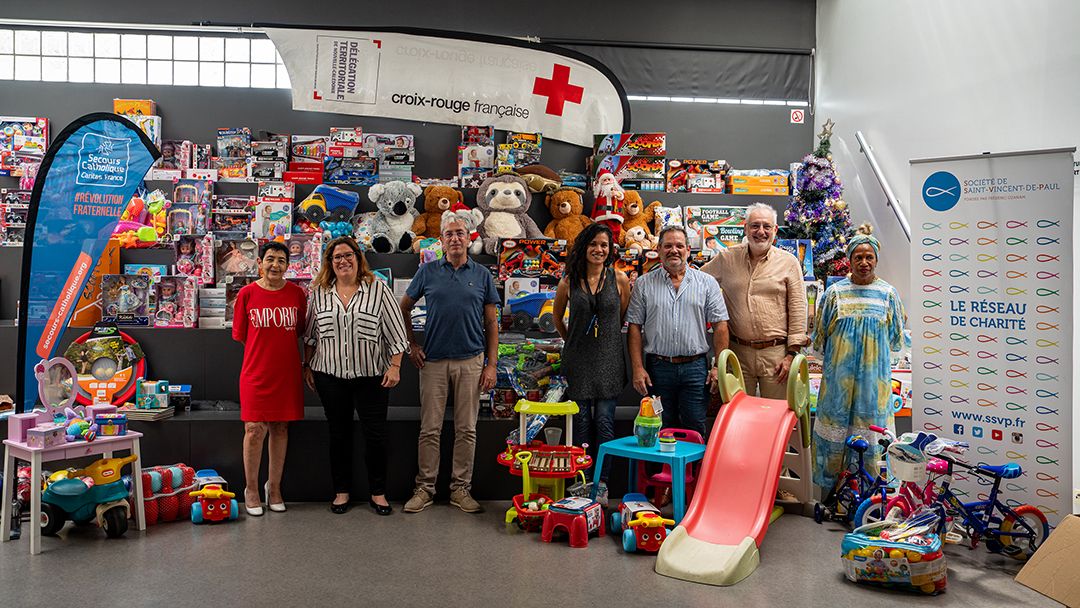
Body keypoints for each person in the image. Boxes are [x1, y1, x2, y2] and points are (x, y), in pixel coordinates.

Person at [400, 211, 500, 513]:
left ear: (469, 239)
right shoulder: (427, 272)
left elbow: (492, 323)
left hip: (471, 362)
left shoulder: (482, 275)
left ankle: (460, 489)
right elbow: (403, 308)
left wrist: (491, 364)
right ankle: (425, 488)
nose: (455, 238)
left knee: (466, 429)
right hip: (433, 363)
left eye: (460, 233)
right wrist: (411, 345)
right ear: (441, 241)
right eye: (449, 234)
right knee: (430, 429)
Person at [303, 236, 408, 516]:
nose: (343, 261)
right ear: (329, 263)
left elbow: (397, 333)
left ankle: (378, 493)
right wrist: (307, 365)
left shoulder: (378, 289)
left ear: (358, 258)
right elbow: (311, 335)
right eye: (337, 257)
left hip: (372, 376)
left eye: (348, 255)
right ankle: (341, 492)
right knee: (339, 435)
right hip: (329, 375)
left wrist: (395, 366)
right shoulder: (319, 292)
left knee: (375, 436)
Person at [812, 224, 906, 492]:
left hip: (873, 384)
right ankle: (831, 491)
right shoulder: (834, 293)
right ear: (850, 260)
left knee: (871, 434)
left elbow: (896, 338)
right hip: (837, 381)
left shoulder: (888, 294)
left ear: (876, 259)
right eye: (858, 257)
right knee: (836, 431)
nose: (864, 263)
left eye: (869, 257)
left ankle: (873, 493)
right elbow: (820, 335)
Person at [552, 223, 630, 505]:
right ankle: (582, 482)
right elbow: (557, 318)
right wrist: (574, 341)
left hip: (610, 360)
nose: (599, 249)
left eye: (604, 245)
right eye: (594, 244)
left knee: (606, 424)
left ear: (610, 250)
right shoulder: (569, 281)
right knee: (581, 423)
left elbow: (621, 316)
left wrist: (604, 339)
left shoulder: (619, 279)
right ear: (584, 247)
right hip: (578, 362)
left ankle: (602, 483)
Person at [626, 226, 729, 438]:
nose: (674, 250)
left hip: (696, 370)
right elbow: (634, 327)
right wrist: (637, 368)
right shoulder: (644, 284)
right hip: (658, 370)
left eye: (679, 246)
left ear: (688, 250)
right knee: (659, 427)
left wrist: (719, 367)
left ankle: (693, 472)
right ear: (659, 250)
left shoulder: (707, 283)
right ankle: (661, 472)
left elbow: (720, 325)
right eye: (668, 246)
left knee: (695, 427)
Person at [701, 203, 807, 400]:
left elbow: (798, 308)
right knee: (737, 417)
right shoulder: (726, 258)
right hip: (737, 354)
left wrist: (792, 354)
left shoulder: (789, 262)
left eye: (766, 226)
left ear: (775, 230)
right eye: (755, 226)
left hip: (777, 355)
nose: (761, 232)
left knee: (775, 415)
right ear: (745, 228)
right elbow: (698, 281)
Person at [232, 241, 307, 516]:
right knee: (253, 430)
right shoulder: (247, 294)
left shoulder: (297, 294)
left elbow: (298, 330)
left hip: (286, 373)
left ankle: (273, 488)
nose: (275, 265)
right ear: (260, 263)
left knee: (281, 428)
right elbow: (241, 335)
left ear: (288, 266)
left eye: (281, 261)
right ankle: (251, 489)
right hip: (255, 373)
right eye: (270, 259)